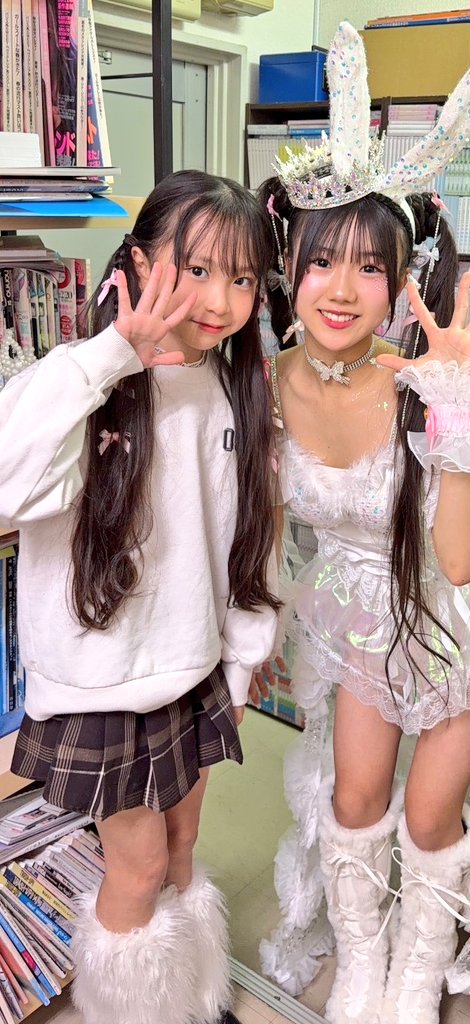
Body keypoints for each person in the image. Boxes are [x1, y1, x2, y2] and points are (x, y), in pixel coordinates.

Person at [256, 23, 470, 1024]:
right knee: (355, 800)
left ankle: (416, 971)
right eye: (322, 261)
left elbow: (458, 559)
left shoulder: (420, 380)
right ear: (287, 265)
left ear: (401, 281)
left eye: (370, 268)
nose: (341, 289)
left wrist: (454, 410)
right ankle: (362, 959)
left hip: (451, 615)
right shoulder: (265, 383)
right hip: (352, 617)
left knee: (426, 812)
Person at [0, 170, 280, 1024]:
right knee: (140, 867)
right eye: (197, 270)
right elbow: (7, 485)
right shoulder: (86, 382)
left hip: (195, 669)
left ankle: (191, 998)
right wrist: (111, 354)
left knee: (184, 846)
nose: (220, 300)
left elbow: (248, 540)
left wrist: (244, 659)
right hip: (100, 688)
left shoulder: (234, 387)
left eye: (242, 278)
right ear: (139, 261)